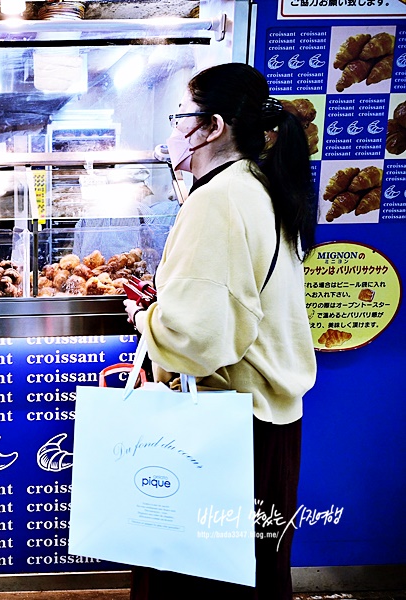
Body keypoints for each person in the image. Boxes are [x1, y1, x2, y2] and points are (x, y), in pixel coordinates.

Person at [123, 63, 317, 600]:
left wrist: (145, 319)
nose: (173, 130)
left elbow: (199, 339)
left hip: (230, 431)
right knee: (256, 572)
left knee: (202, 582)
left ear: (213, 127)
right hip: (266, 422)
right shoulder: (256, 185)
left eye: (181, 116)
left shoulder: (219, 198)